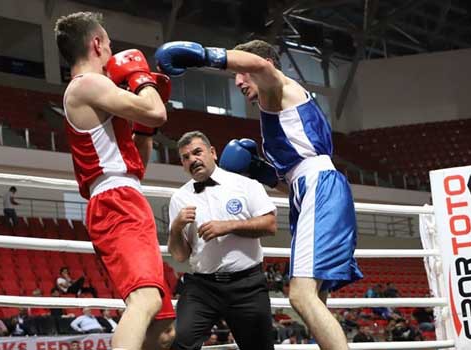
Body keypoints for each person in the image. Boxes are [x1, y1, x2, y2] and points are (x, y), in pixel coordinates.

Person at [155, 39, 363, 350]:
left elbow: (261, 65)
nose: (238, 80)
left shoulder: (275, 85)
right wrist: (261, 172)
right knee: (315, 296)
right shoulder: (277, 103)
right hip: (306, 189)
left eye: (242, 72)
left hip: (318, 187)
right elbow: (294, 176)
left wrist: (205, 56)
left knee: (301, 295)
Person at [54, 11, 175, 350]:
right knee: (146, 302)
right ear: (96, 44)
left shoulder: (100, 92)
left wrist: (145, 129)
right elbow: (157, 111)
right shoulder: (87, 85)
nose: (112, 52)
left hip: (127, 194)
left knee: (162, 331)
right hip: (115, 201)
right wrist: (142, 78)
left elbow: (136, 162)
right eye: (109, 44)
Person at [167, 131, 277, 350]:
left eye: (197, 152)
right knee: (178, 342)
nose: (193, 160)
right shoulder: (179, 198)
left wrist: (228, 226)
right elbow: (179, 255)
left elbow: (270, 225)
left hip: (247, 285)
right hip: (202, 287)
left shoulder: (245, 185)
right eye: (186, 157)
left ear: (212, 153)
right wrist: (176, 228)